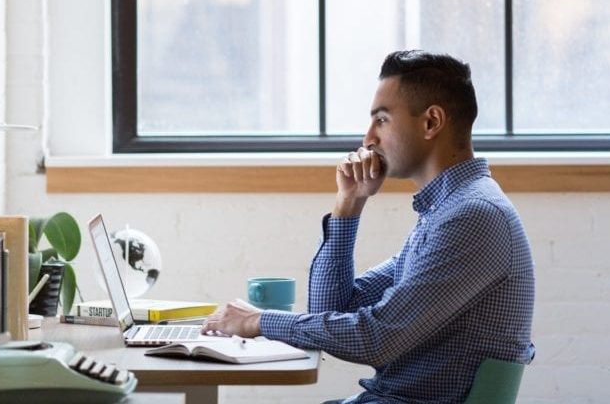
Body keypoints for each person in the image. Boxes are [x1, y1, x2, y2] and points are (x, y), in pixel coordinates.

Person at [203, 50, 535, 403]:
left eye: (382, 120)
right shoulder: (443, 213)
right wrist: (349, 204)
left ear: (431, 122)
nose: (367, 139)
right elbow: (330, 310)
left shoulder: (472, 217)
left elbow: (376, 339)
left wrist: (258, 321)